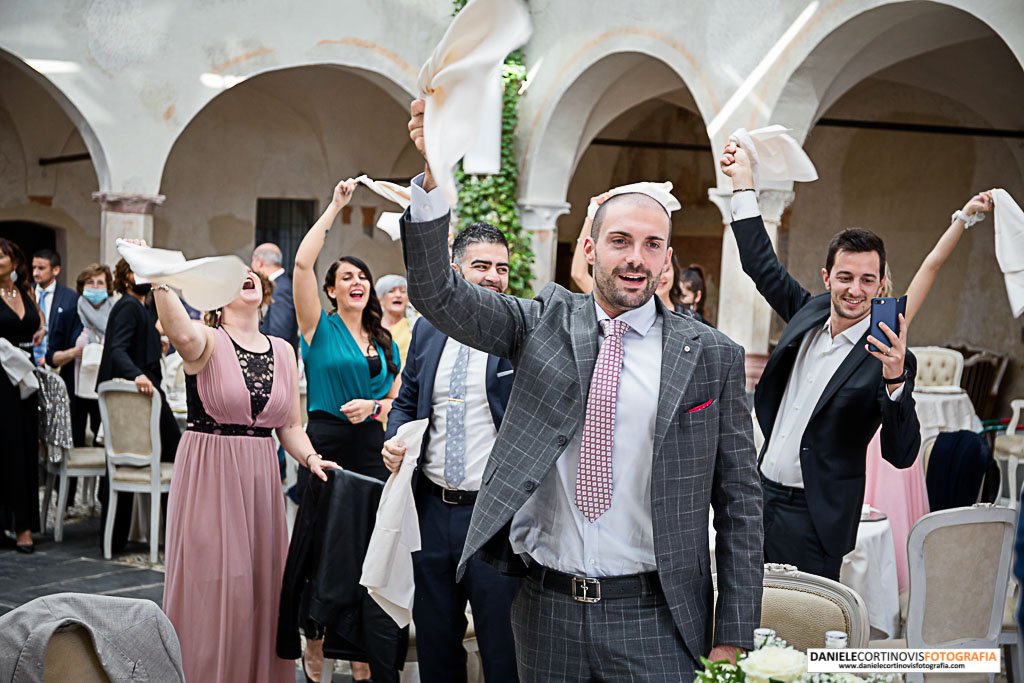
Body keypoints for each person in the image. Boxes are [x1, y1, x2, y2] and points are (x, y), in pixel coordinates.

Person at [403, 99, 762, 681]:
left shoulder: (711, 357)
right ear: (590, 249)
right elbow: (438, 295)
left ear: (667, 260)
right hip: (547, 614)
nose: (636, 260)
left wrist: (733, 634)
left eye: (651, 246)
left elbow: (742, 506)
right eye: (620, 241)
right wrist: (433, 176)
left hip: (659, 618)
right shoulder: (542, 322)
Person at [720, 138, 922, 581]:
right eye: (846, 277)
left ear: (882, 284)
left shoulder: (887, 356)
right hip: (760, 500)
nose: (855, 289)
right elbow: (761, 265)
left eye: (868, 280)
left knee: (803, 639)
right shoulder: (807, 311)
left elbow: (902, 453)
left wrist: (893, 379)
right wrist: (742, 184)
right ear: (827, 277)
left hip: (816, 519)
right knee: (742, 624)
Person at [150, 251, 339, 683]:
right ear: (217, 299)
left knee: (259, 588)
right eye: (234, 278)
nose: (247, 278)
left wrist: (310, 458)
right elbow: (178, 331)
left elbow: (290, 425)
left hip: (259, 476)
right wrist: (160, 279)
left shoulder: (285, 350)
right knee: (217, 585)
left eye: (250, 274)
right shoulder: (206, 338)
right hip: (208, 474)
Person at [381, 223, 519, 683]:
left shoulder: (520, 335)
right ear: (455, 270)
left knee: (503, 650)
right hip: (432, 511)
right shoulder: (426, 331)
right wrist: (395, 439)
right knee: (437, 647)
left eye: (501, 267)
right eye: (481, 266)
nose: (493, 276)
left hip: (494, 520)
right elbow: (405, 401)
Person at [293, 178, 402, 683]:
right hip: (328, 444)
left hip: (373, 450)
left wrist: (376, 409)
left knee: (367, 548)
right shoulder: (319, 326)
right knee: (324, 545)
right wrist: (335, 207)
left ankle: (358, 647)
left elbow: (398, 396)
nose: (356, 280)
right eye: (346, 276)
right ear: (332, 290)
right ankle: (314, 641)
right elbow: (301, 265)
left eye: (362, 274)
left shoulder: (384, 339)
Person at [96, 258, 181, 555]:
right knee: (181, 454)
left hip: (145, 398)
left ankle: (143, 534)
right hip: (142, 399)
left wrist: (154, 344)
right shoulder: (129, 306)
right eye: (136, 270)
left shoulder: (139, 307)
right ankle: (174, 535)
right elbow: (117, 349)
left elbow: (133, 343)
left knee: (173, 452)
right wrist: (139, 375)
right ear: (125, 277)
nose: (142, 275)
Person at [0, 238, 44, 553]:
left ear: (14, 262)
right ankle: (15, 526)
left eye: (0, 256)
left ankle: (24, 522)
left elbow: (37, 323)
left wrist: (39, 331)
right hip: (0, 377)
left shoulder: (25, 292)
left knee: (26, 448)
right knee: (6, 449)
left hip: (25, 378)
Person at [48, 264, 114, 450]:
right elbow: (51, 356)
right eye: (89, 282)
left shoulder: (116, 316)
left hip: (104, 388)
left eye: (100, 283)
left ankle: (103, 480)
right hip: (74, 392)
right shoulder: (69, 315)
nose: (94, 286)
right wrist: (73, 353)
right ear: (81, 286)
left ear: (108, 287)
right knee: (74, 444)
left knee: (105, 446)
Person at [33, 249, 80, 374]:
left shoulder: (70, 298)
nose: (35, 273)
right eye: (34, 267)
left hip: (57, 367)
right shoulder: (25, 293)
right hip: (27, 362)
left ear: (56, 270)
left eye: (41, 268)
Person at [252, 243, 299, 350]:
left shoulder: (281, 288)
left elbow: (279, 333)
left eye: (252, 262)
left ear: (259, 263)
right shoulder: (282, 284)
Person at [376, 274, 415, 364]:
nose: (398, 295)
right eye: (391, 291)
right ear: (380, 299)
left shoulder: (414, 327)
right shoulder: (371, 328)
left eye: (402, 291)